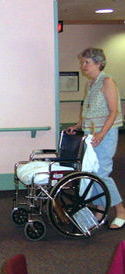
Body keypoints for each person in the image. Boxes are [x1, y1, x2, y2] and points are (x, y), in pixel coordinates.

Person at [67, 47, 125, 230]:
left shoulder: (107, 82)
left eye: (87, 62)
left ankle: (121, 211)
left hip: (105, 135)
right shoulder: (91, 84)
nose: (83, 66)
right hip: (92, 135)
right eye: (83, 62)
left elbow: (114, 111)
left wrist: (101, 134)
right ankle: (101, 211)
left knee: (101, 174)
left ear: (98, 63)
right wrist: (77, 126)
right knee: (93, 174)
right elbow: (91, 111)